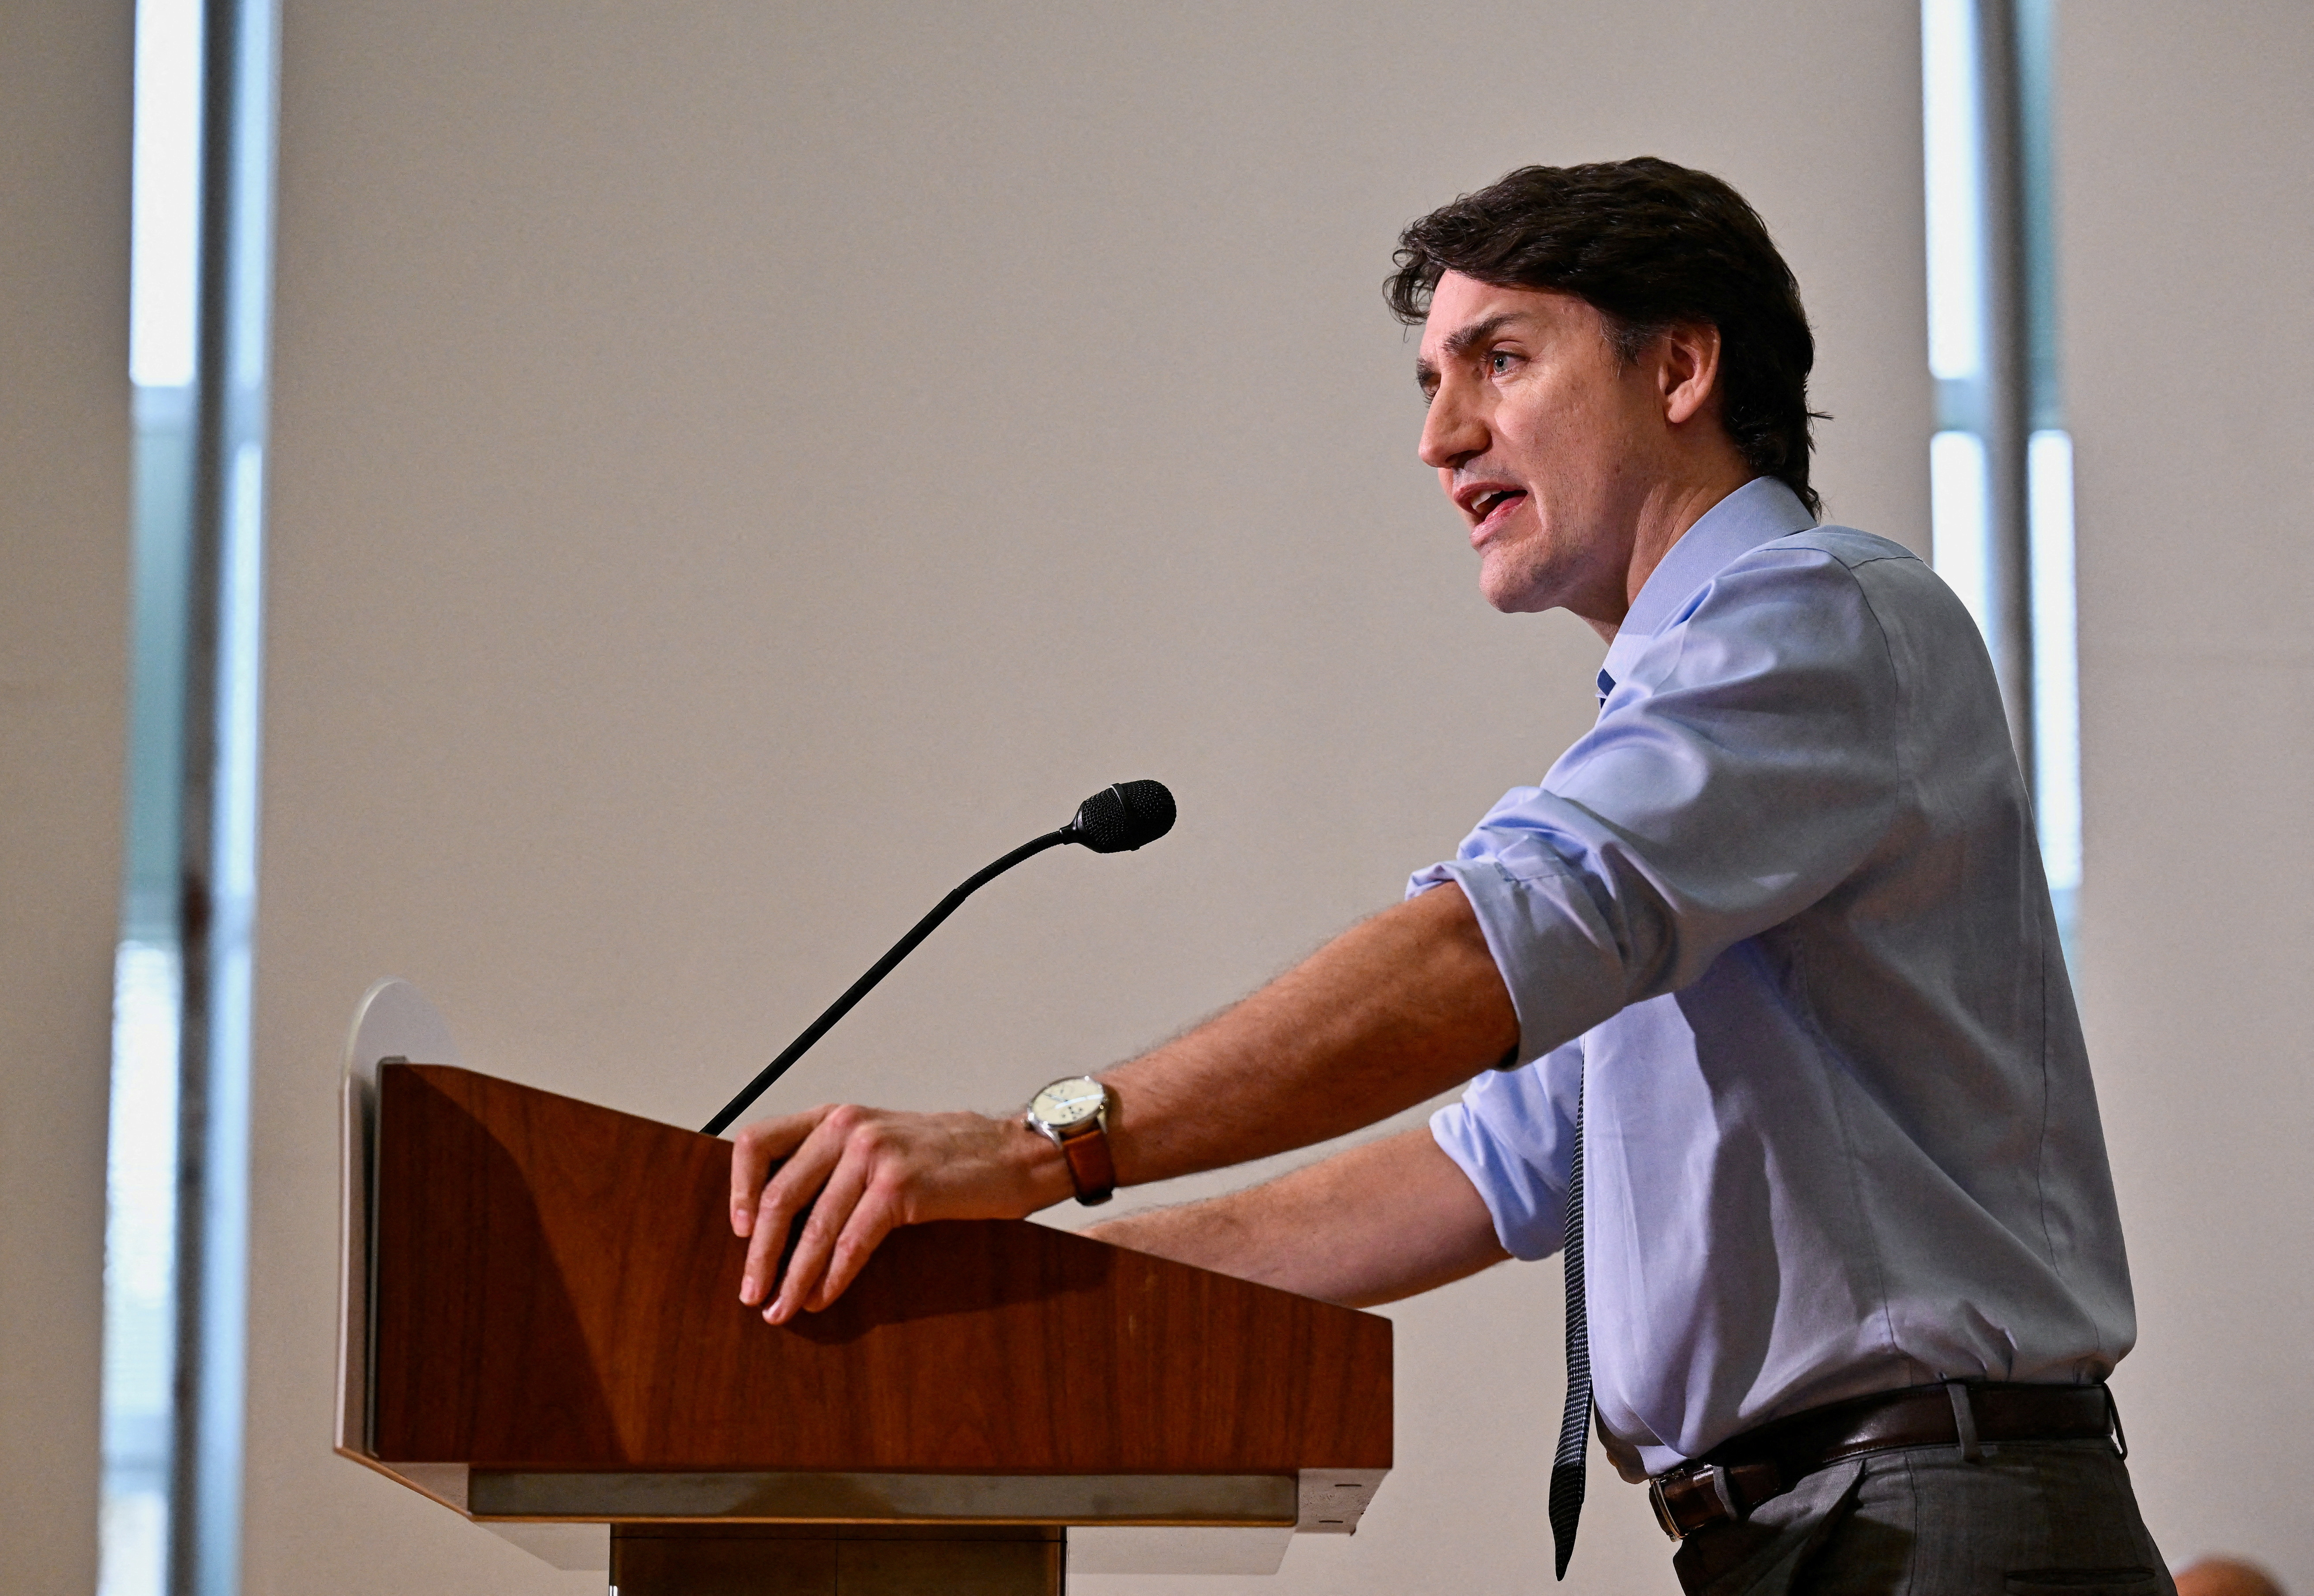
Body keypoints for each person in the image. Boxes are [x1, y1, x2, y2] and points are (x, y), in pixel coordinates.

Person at [725, 158, 2170, 1594]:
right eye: (1430, 378)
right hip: (1825, 1531)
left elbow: (1478, 955)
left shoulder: (1813, 623)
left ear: (1678, 366)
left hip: (1933, 1527)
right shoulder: (1701, 738)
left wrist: (1044, 1143)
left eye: (1498, 360)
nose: (1440, 434)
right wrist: (1031, 1293)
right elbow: (1481, 1170)